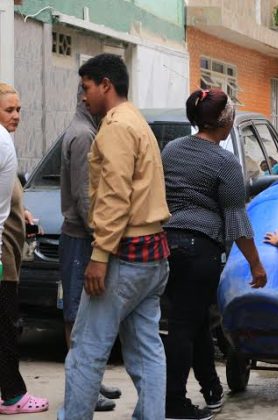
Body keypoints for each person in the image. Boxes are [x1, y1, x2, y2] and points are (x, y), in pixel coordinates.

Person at [62, 53, 171, 420]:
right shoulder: (135, 121)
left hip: (124, 257)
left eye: (86, 87)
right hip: (151, 257)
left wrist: (100, 255)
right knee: (146, 351)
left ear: (106, 85)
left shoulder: (116, 127)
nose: (83, 96)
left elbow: (114, 196)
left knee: (86, 349)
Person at [161, 88, 268, 420]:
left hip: (166, 246)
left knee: (194, 322)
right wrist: (256, 264)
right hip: (200, 252)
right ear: (227, 119)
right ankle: (174, 403)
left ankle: (211, 389)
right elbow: (236, 221)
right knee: (182, 327)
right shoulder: (226, 162)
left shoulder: (172, 149)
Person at [58, 85, 120, 413]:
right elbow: (85, 195)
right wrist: (100, 235)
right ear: (85, 97)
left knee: (86, 314)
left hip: (80, 235)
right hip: (80, 236)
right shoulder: (83, 135)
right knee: (77, 317)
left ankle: (90, 382)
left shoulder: (86, 130)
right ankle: (83, 390)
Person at [0, 84, 49, 415]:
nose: (16, 115)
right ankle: (13, 395)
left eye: (19, 109)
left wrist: (23, 211)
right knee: (6, 323)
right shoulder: (3, 144)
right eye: (9, 110)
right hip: (1, 253)